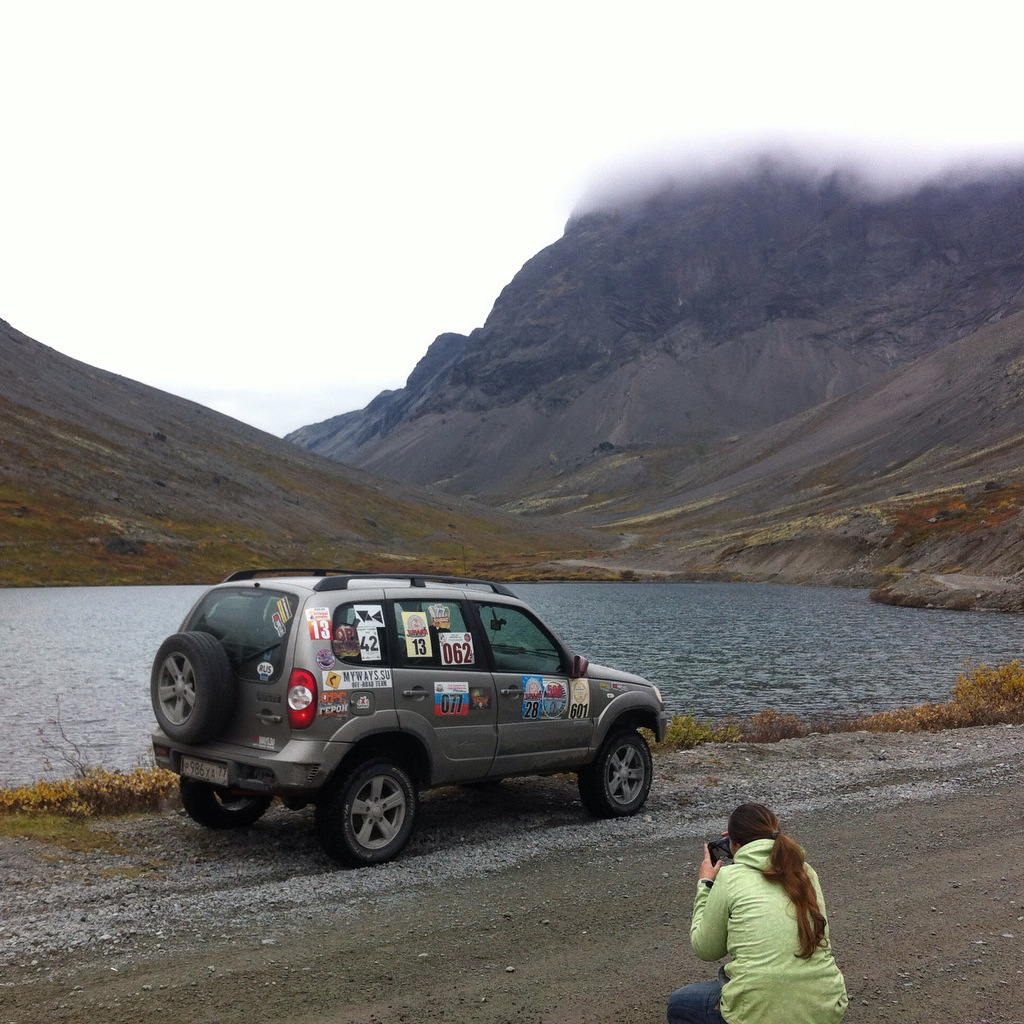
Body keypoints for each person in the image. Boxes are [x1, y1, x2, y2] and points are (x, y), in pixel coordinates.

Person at [666, 803, 848, 1024]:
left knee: (680, 1004)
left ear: (733, 843)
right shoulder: (805, 872)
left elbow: (706, 949)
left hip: (757, 1013)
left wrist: (705, 884)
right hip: (825, 1007)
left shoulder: (730, 877)